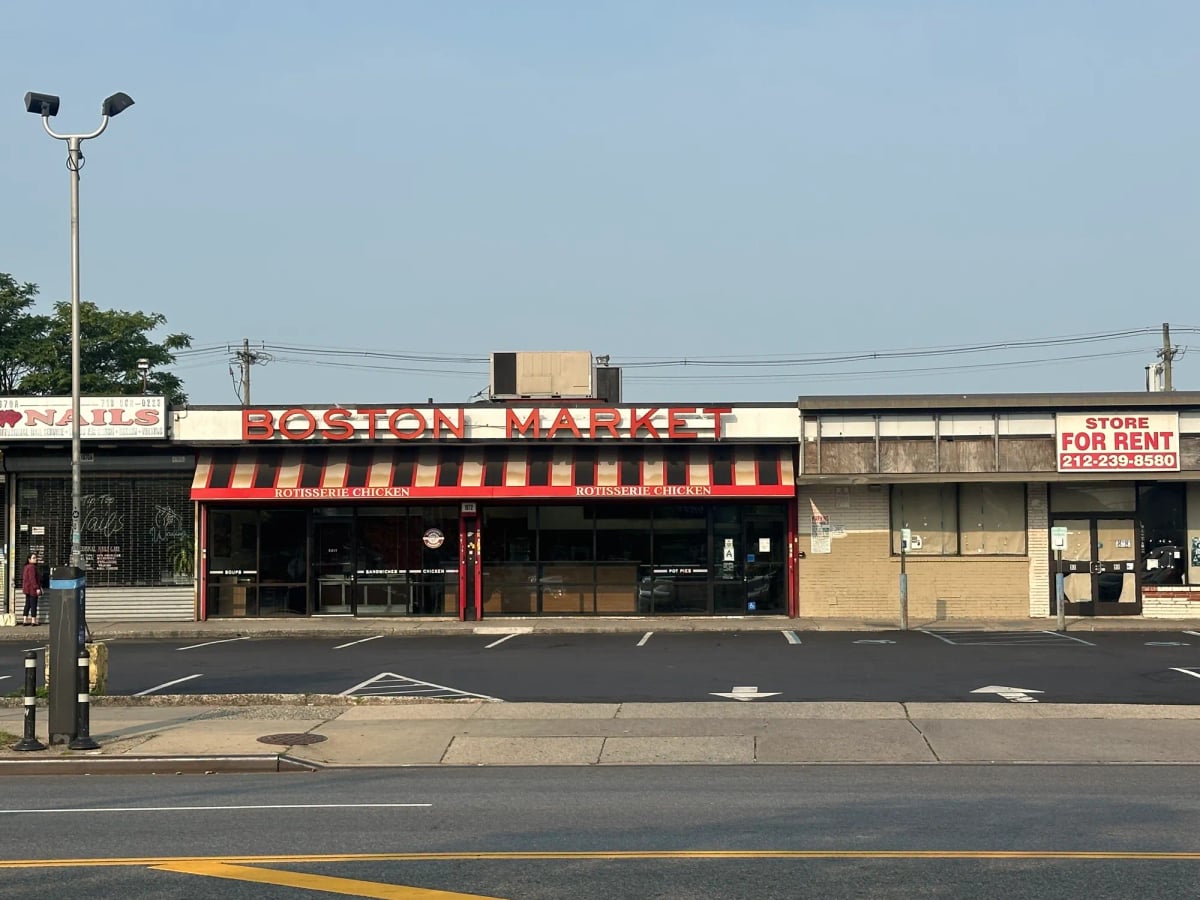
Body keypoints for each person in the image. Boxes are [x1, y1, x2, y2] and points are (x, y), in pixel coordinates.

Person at [21, 553, 42, 627]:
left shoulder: (26, 567)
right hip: (32, 589)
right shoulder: (32, 567)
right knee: (33, 605)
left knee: (27, 604)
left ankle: (25, 620)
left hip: (27, 589)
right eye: (33, 558)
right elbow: (32, 578)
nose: (35, 559)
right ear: (29, 559)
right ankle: (33, 621)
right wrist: (37, 588)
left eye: (35, 557)